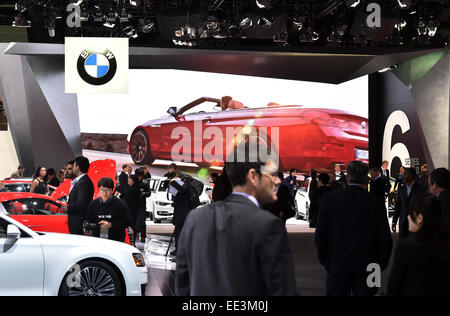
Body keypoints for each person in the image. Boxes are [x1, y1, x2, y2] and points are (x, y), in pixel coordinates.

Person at [176, 142, 298, 296]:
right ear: (253, 176)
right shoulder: (268, 225)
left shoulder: (195, 219)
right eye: (272, 174)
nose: (278, 180)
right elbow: (283, 290)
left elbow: (182, 283)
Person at [315, 161, 393, 296]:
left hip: (337, 263)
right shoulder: (376, 203)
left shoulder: (329, 199)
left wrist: (327, 261)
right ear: (366, 178)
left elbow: (320, 234)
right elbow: (385, 237)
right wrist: (380, 264)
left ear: (347, 177)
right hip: (370, 265)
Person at [387, 193, 450, 296]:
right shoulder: (445, 243)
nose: (408, 217)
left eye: (411, 213)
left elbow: (393, 286)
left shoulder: (406, 247)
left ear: (419, 218)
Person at [85, 178, 132, 243]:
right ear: (98, 190)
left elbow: (127, 221)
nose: (104, 193)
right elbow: (88, 219)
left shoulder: (121, 204)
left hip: (116, 239)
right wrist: (88, 228)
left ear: (112, 190)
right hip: (97, 239)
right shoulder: (93, 204)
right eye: (102, 190)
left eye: (107, 190)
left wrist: (111, 224)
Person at [62, 156, 94, 235]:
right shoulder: (82, 181)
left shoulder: (83, 182)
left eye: (73, 166)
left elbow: (81, 203)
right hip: (78, 223)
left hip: (79, 224)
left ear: (78, 167)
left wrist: (68, 208)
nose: (72, 169)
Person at [170, 175, 202, 255]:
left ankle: (180, 251)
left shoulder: (186, 186)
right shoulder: (190, 188)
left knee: (179, 233)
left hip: (182, 214)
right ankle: (179, 250)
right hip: (186, 213)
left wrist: (173, 182)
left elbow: (182, 190)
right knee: (180, 233)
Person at [392, 168, 427, 239]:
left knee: (414, 243)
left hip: (415, 221)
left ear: (411, 176)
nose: (403, 176)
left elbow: (423, 206)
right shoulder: (401, 188)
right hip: (403, 221)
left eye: (405, 174)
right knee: (402, 243)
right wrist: (394, 221)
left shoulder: (421, 189)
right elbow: (398, 205)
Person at [121, 174, 141, 240]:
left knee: (130, 226)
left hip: (130, 210)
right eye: (128, 181)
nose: (128, 182)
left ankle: (130, 240)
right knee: (132, 226)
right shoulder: (136, 189)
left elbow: (126, 199)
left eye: (130, 181)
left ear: (134, 181)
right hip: (133, 210)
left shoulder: (133, 189)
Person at [135, 168, 151, 243]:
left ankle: (143, 236)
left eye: (141, 176)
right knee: (133, 221)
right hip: (133, 204)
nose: (139, 178)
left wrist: (144, 193)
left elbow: (149, 193)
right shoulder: (132, 181)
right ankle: (133, 235)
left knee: (142, 221)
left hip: (142, 205)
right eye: (138, 176)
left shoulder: (145, 183)